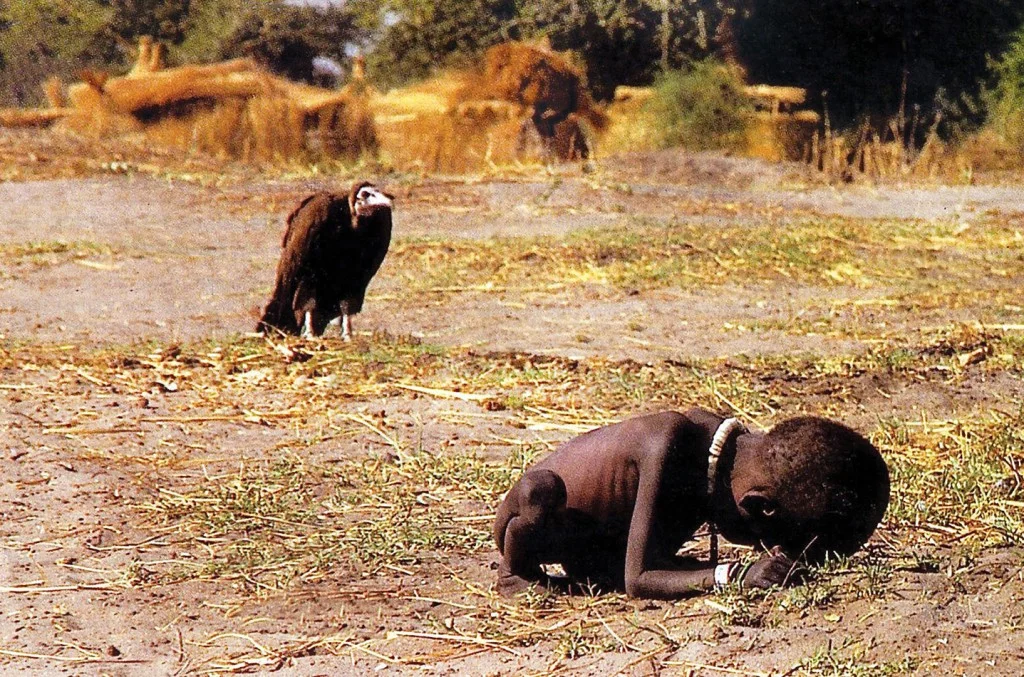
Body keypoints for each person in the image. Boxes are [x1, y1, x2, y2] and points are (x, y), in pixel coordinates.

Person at [493, 408, 890, 599]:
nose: (769, 551)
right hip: (545, 522)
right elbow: (639, 579)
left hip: (595, 545)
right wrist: (733, 575)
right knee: (538, 494)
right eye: (768, 542)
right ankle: (515, 573)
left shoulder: (722, 460)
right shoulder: (670, 446)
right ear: (757, 507)